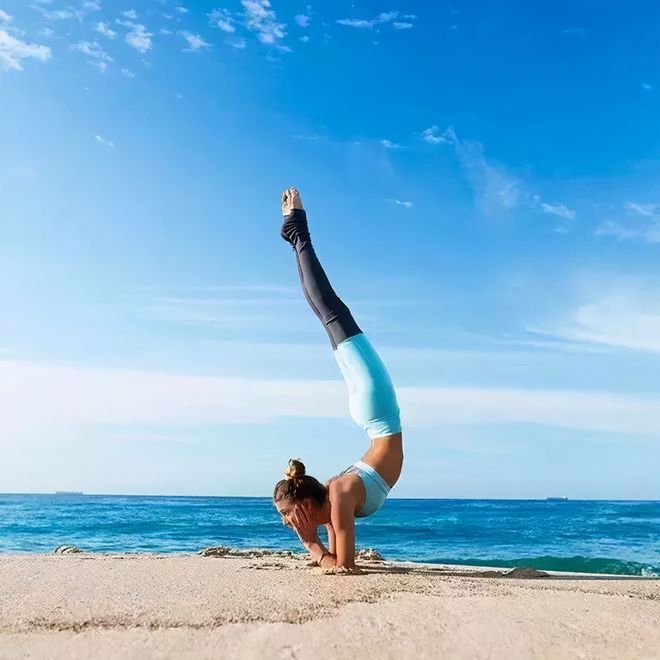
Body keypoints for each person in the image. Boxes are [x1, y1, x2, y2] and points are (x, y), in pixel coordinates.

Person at [273, 187, 404, 570]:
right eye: (285, 516)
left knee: (330, 311)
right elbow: (338, 561)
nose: (287, 522)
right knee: (326, 312)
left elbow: (343, 568)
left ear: (307, 503)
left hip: (377, 412)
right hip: (372, 415)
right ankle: (294, 236)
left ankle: (297, 232)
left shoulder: (342, 493)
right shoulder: (334, 499)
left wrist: (309, 542)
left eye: (288, 513)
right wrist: (317, 542)